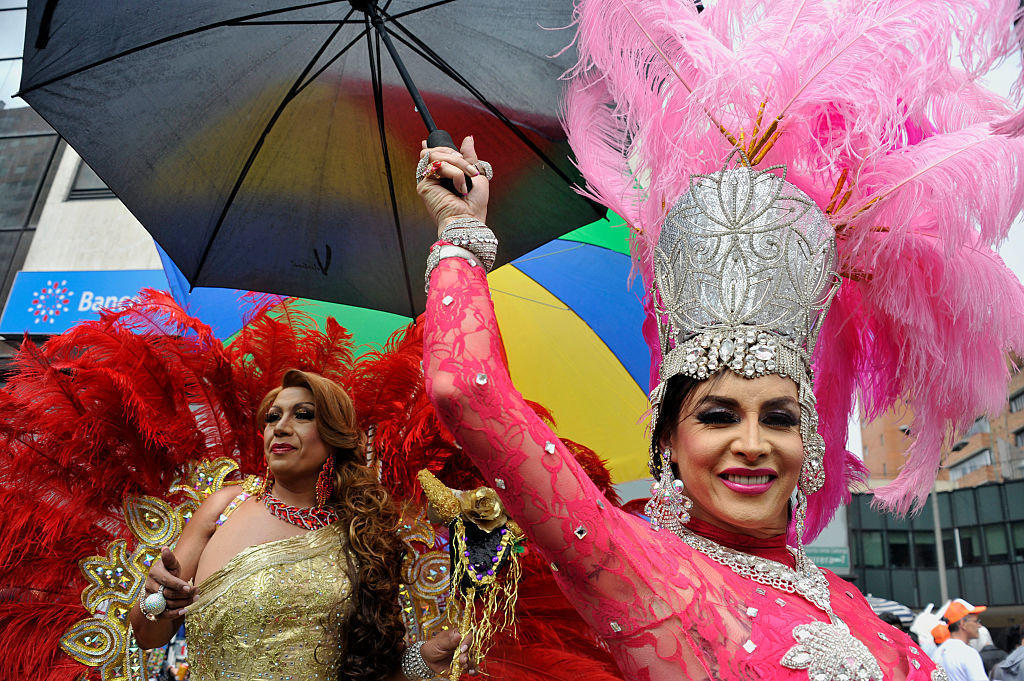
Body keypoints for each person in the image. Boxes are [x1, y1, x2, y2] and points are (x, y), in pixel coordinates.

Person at [414, 2, 1024, 679]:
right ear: (667, 442)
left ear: (813, 444)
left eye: (780, 417)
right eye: (718, 414)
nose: (754, 442)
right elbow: (463, 388)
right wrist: (460, 234)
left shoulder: (860, 611)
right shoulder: (640, 571)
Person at [129, 369, 469, 681]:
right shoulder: (224, 508)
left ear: (334, 435)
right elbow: (148, 636)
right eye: (273, 417)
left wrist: (423, 660)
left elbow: (372, 669)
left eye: (303, 415)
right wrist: (156, 599)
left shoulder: (364, 536)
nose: (280, 427)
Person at [931, 600, 988, 681]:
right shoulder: (968, 653)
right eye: (976, 621)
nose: (979, 625)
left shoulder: (937, 654)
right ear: (962, 624)